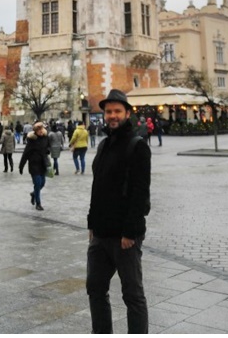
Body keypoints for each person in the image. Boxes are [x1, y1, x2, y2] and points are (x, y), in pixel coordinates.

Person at [86, 89, 152, 334]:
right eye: (108, 111)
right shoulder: (103, 145)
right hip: (101, 233)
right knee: (95, 288)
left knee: (132, 295)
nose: (112, 116)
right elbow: (97, 188)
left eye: (117, 111)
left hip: (125, 236)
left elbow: (140, 194)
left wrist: (131, 232)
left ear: (127, 113)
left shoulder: (137, 146)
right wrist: (91, 224)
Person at [19, 122, 50, 210]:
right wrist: (21, 166)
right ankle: (38, 203)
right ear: (35, 131)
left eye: (41, 129)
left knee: (42, 183)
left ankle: (33, 194)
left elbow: (48, 147)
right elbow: (25, 154)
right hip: (34, 165)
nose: (40, 131)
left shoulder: (45, 138)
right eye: (38, 130)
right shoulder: (31, 140)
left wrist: (48, 150)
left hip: (42, 164)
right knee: (37, 183)